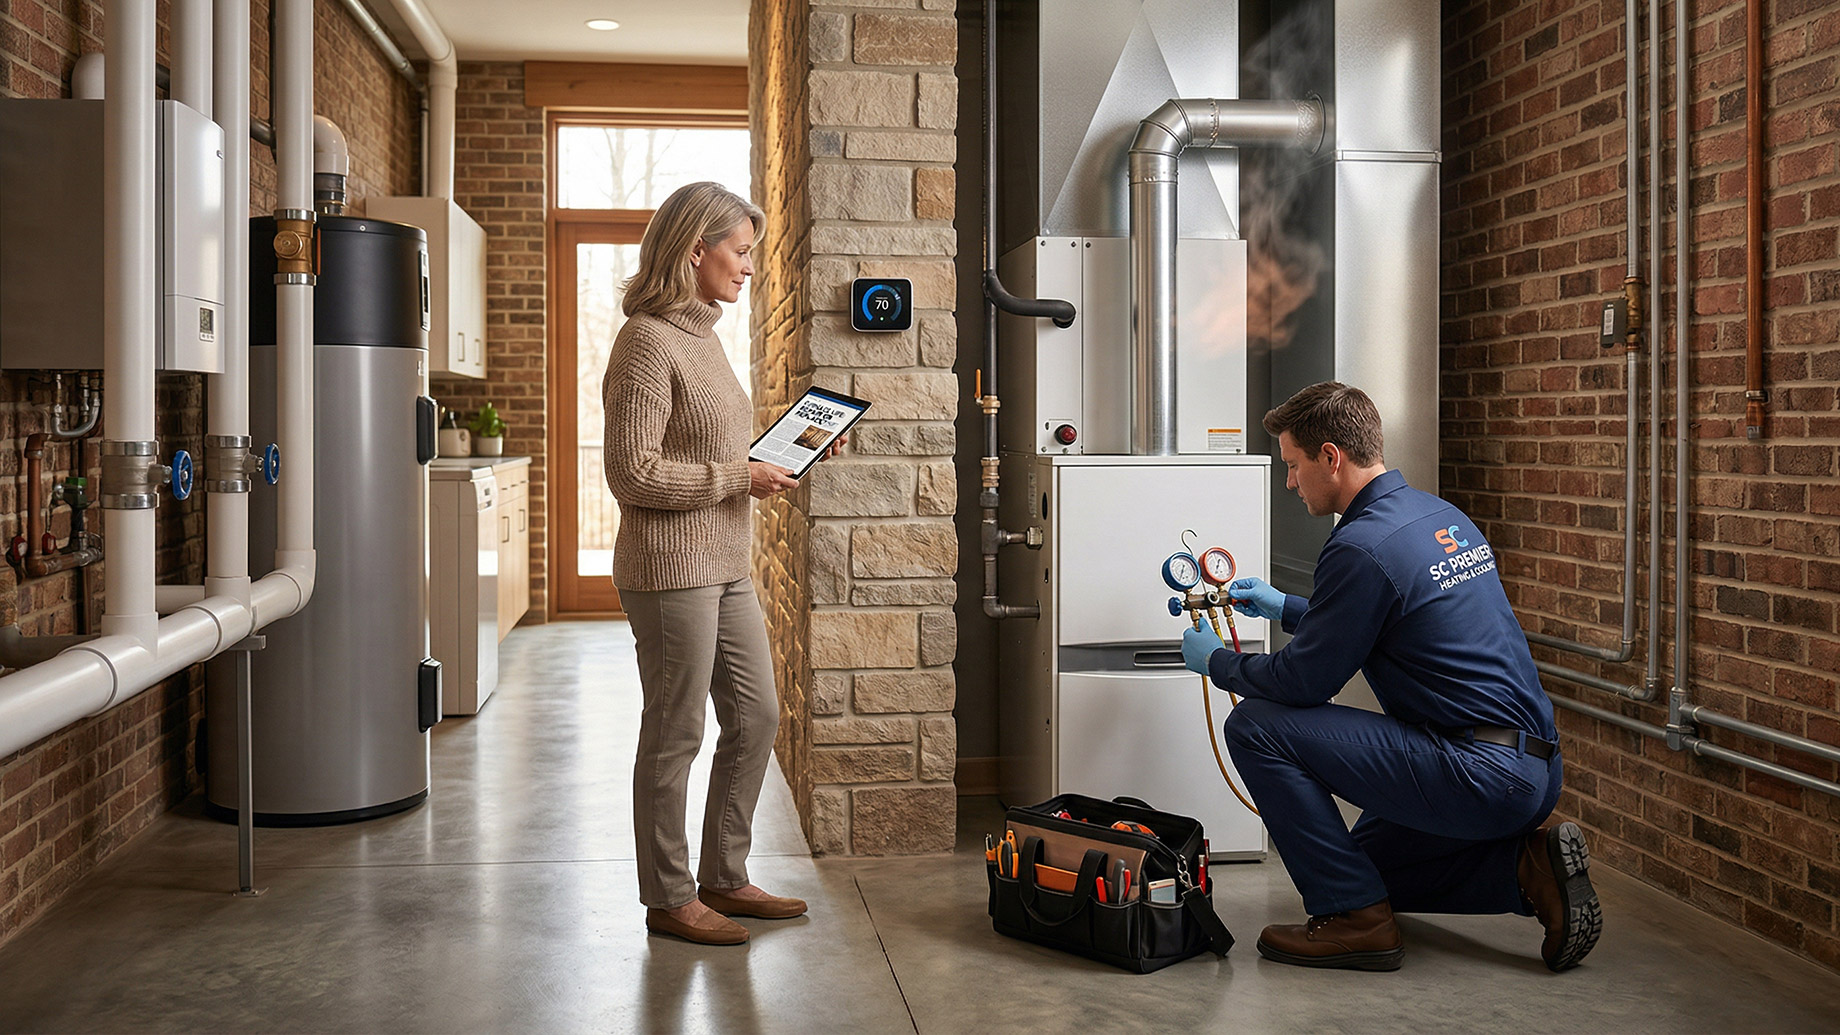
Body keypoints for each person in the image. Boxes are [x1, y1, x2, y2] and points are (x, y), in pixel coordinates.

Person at [1181, 381, 1601, 972]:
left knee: (1256, 725)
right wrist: (1283, 607)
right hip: (1534, 771)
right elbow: (1392, 619)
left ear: (1331, 457)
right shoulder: (1435, 516)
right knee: (1362, 868)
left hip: (1475, 772)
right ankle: (1527, 870)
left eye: (1294, 465)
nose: (1289, 481)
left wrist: (1216, 662)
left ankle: (1353, 922)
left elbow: (1304, 683)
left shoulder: (1358, 544)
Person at [603, 181, 840, 946]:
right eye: (739, 252)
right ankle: (669, 896)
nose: (747, 268)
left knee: (759, 713)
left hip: (725, 560)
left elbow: (704, 449)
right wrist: (742, 475)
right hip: (670, 570)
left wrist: (780, 455)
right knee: (675, 731)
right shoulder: (646, 341)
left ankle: (725, 876)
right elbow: (631, 472)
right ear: (694, 248)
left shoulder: (704, 337)